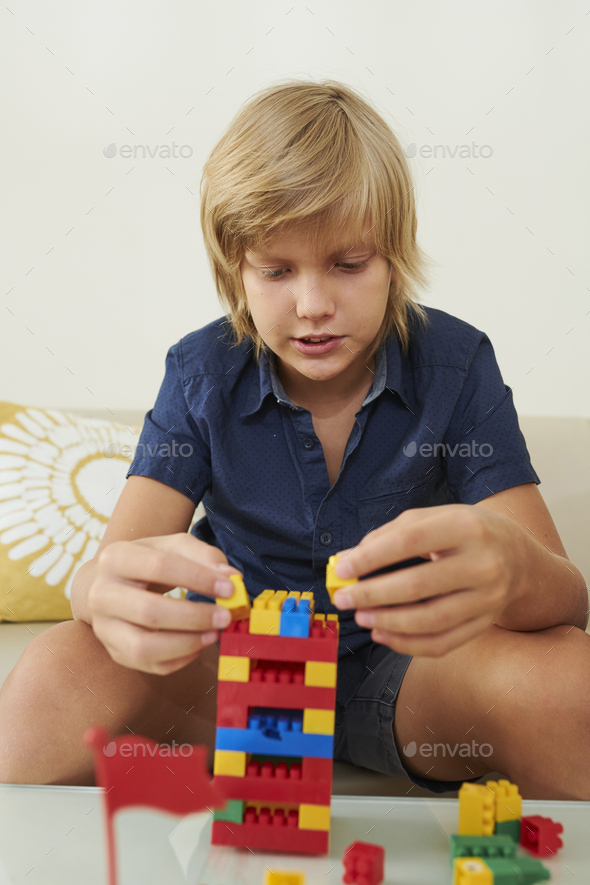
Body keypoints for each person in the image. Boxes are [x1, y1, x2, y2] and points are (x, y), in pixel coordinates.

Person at [1, 79, 588, 799]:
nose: (313, 306)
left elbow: (566, 600)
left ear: (396, 258)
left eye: (349, 263)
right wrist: (98, 589)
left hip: (417, 678)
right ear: (234, 272)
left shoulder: (456, 363)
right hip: (236, 677)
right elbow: (114, 573)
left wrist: (514, 565)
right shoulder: (201, 371)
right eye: (276, 270)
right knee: (49, 680)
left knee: (570, 682)